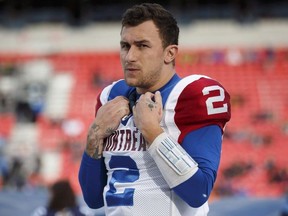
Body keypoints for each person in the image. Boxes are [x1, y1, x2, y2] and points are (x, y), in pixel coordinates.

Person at [78, 3, 231, 216]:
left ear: (169, 53)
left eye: (142, 46)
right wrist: (94, 135)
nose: (130, 56)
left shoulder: (192, 94)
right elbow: (93, 199)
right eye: (125, 46)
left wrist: (153, 133)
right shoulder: (111, 96)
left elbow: (199, 193)